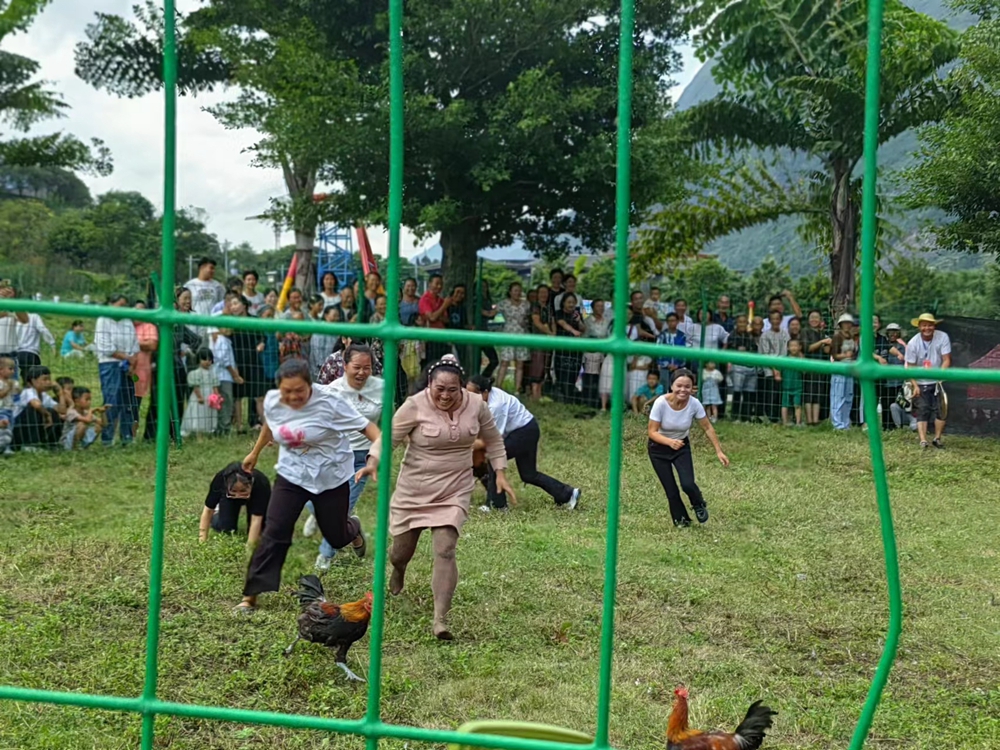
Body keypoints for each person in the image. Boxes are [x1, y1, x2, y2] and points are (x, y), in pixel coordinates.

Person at [368, 358, 513, 639]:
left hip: (454, 488)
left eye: (453, 389)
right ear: (429, 385)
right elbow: (388, 439)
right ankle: (398, 570)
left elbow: (494, 440)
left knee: (446, 549)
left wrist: (502, 473)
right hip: (415, 489)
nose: (446, 395)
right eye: (440, 389)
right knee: (400, 552)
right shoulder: (414, 405)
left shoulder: (476, 405)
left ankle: (440, 620)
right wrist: (374, 461)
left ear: (462, 387)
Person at [237, 359, 378, 614]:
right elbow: (271, 423)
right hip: (293, 474)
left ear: (310, 386)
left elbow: (369, 429)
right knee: (275, 531)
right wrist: (255, 453)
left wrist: (376, 456)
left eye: (299, 391)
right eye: (287, 391)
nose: (293, 397)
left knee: (335, 535)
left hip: (330, 477)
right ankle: (251, 596)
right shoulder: (273, 400)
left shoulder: (330, 402)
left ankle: (353, 528)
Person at [304, 344, 384, 570]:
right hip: (332, 456)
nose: (362, 372)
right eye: (356, 367)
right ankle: (329, 519)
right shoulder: (330, 390)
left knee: (341, 512)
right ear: (345, 366)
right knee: (311, 498)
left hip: (362, 459)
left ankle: (326, 556)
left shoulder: (381, 390)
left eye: (367, 368)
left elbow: (386, 422)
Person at [468, 374, 580, 513]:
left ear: (485, 392)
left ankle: (497, 506)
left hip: (524, 432)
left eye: (473, 395)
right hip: (528, 428)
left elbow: (493, 441)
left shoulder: (496, 406)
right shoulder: (487, 398)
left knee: (494, 459)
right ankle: (567, 494)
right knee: (528, 474)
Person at [647, 369, 729, 527]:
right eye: (679, 385)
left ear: (692, 388)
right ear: (671, 385)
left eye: (687, 386)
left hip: (681, 447)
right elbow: (652, 432)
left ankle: (698, 503)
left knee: (688, 483)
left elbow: (707, 427)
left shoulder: (694, 403)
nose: (683, 390)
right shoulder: (660, 403)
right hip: (658, 449)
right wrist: (669, 442)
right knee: (671, 490)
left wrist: (719, 451)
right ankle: (681, 520)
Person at [95, 295, 140, 447]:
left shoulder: (127, 321)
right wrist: (127, 357)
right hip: (110, 364)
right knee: (111, 401)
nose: (122, 309)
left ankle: (126, 437)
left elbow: (135, 345)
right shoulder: (103, 320)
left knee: (128, 402)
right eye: (119, 305)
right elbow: (105, 347)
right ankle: (107, 438)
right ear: (110, 304)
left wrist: (132, 364)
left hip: (129, 366)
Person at [905, 313, 951, 449]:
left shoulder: (942, 337)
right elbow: (910, 367)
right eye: (924, 325)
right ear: (919, 327)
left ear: (934, 326)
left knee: (941, 410)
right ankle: (923, 440)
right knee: (922, 410)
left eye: (930, 325)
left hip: (938, 380)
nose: (927, 328)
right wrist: (915, 385)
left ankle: (937, 438)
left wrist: (940, 377)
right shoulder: (913, 343)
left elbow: (946, 359)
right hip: (921, 380)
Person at [199, 463, 271, 544]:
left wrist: (250, 547)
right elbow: (208, 510)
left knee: (260, 531)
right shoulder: (220, 480)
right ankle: (217, 513)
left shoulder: (261, 484)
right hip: (229, 499)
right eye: (234, 491)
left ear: (251, 484)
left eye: (242, 491)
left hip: (254, 496)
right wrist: (202, 541)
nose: (238, 495)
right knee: (226, 528)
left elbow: (256, 519)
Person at [12, 366, 62, 450]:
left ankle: (51, 443)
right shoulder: (28, 391)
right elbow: (36, 405)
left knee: (53, 412)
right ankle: (29, 444)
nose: (49, 382)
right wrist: (47, 414)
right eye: (45, 379)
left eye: (49, 379)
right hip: (16, 430)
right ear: (33, 381)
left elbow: (61, 410)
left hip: (27, 429)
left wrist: (60, 393)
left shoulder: (44, 396)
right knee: (33, 409)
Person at [495, 282, 532, 394]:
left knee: (520, 363)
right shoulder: (503, 303)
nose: (517, 293)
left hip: (522, 334)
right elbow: (492, 313)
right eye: (515, 290)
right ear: (510, 292)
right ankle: (498, 387)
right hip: (508, 334)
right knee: (505, 362)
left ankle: (517, 389)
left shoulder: (526, 304)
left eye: (519, 290)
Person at [181, 348, 220, 436]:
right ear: (199, 359)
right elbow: (196, 387)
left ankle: (209, 431)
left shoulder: (213, 373)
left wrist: (217, 395)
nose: (207, 361)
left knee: (208, 413)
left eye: (209, 360)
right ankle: (199, 434)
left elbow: (214, 386)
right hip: (200, 396)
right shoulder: (196, 373)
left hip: (210, 397)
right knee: (199, 413)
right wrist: (199, 396)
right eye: (204, 359)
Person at [553, 292, 584, 402]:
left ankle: (570, 396)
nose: (571, 305)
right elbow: (562, 323)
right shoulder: (559, 313)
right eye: (569, 302)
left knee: (574, 372)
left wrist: (579, 321)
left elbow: (583, 329)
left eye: (573, 302)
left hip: (575, 350)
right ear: (563, 303)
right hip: (563, 348)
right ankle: (563, 397)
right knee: (562, 373)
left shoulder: (577, 314)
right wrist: (573, 331)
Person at [829, 313, 857, 430]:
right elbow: (834, 354)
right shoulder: (837, 337)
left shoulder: (852, 337)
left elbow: (855, 353)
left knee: (848, 395)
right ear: (841, 325)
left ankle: (845, 423)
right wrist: (845, 355)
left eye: (849, 323)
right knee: (838, 395)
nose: (847, 325)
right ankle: (837, 424)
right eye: (845, 323)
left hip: (850, 367)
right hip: (840, 366)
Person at [185, 257, 226, 336]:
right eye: (211, 268)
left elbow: (223, 305)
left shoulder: (217, 286)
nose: (213, 271)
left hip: (211, 326)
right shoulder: (189, 285)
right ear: (202, 267)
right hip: (193, 326)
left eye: (214, 269)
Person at [728, 315, 758, 422]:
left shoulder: (750, 336)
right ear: (736, 323)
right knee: (737, 391)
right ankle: (735, 416)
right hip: (737, 367)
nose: (742, 324)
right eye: (740, 322)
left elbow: (754, 350)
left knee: (748, 392)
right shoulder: (732, 335)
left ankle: (746, 416)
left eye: (744, 322)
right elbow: (730, 349)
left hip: (750, 367)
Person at [419, 273, 453, 364]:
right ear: (430, 284)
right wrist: (444, 306)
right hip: (430, 338)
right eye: (436, 283)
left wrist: (437, 314)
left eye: (441, 284)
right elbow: (432, 318)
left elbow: (446, 320)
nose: (439, 286)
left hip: (441, 337)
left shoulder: (441, 300)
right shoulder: (425, 299)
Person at [0, 284, 29, 376]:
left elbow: (25, 319)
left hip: (10, 354)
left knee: (12, 387)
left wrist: (11, 301)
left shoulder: (12, 307)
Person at [781, 340, 805, 426]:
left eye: (796, 346)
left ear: (799, 347)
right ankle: (784, 422)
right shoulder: (784, 359)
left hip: (797, 387)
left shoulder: (801, 359)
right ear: (788, 348)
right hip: (786, 386)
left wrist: (802, 360)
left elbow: (804, 371)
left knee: (797, 405)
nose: (794, 348)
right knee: (785, 405)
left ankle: (798, 422)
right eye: (791, 346)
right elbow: (777, 368)